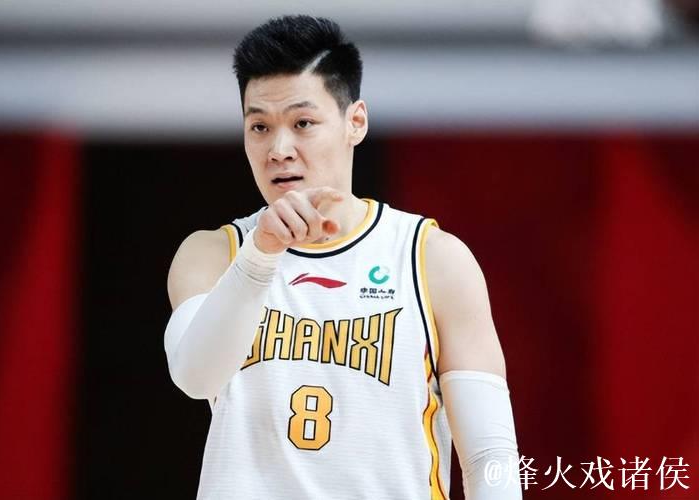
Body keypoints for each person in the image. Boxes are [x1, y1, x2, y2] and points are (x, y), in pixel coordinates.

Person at [165, 15, 521, 499]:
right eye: (260, 126)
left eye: (303, 123)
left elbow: (489, 455)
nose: (279, 149)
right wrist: (260, 256)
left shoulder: (432, 258)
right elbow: (194, 376)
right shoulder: (212, 253)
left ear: (355, 122)